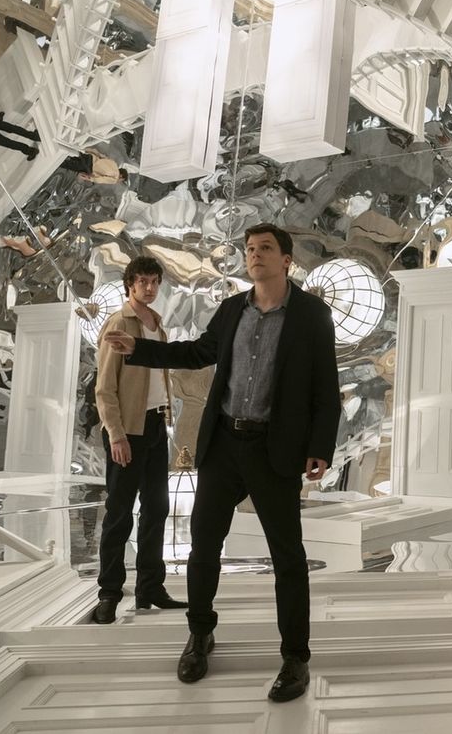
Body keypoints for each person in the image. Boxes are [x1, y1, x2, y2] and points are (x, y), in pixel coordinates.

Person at [104, 223, 341, 703]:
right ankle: (200, 634)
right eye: (249, 248)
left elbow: (325, 385)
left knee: (288, 558)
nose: (255, 255)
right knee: (204, 548)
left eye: (265, 248)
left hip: (275, 450)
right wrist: (141, 349)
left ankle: (295, 657)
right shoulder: (232, 309)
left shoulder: (312, 314)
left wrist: (320, 446)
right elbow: (197, 353)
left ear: (286, 260)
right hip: (223, 445)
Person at [91, 255, 188, 624]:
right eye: (142, 281)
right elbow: (104, 388)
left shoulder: (157, 325)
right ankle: (109, 593)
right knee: (119, 514)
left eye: (154, 282)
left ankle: (150, 587)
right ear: (130, 284)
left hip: (155, 426)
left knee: (156, 510)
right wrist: (116, 435)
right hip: (126, 430)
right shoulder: (119, 323)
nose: (149, 288)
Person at [59, 149, 127, 184]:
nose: (119, 181)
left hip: (91, 157)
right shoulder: (115, 179)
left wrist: (89, 151)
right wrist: (89, 179)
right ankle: (55, 159)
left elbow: (102, 156)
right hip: (89, 167)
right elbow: (102, 179)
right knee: (65, 164)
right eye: (121, 180)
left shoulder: (114, 163)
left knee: (69, 155)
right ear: (121, 176)